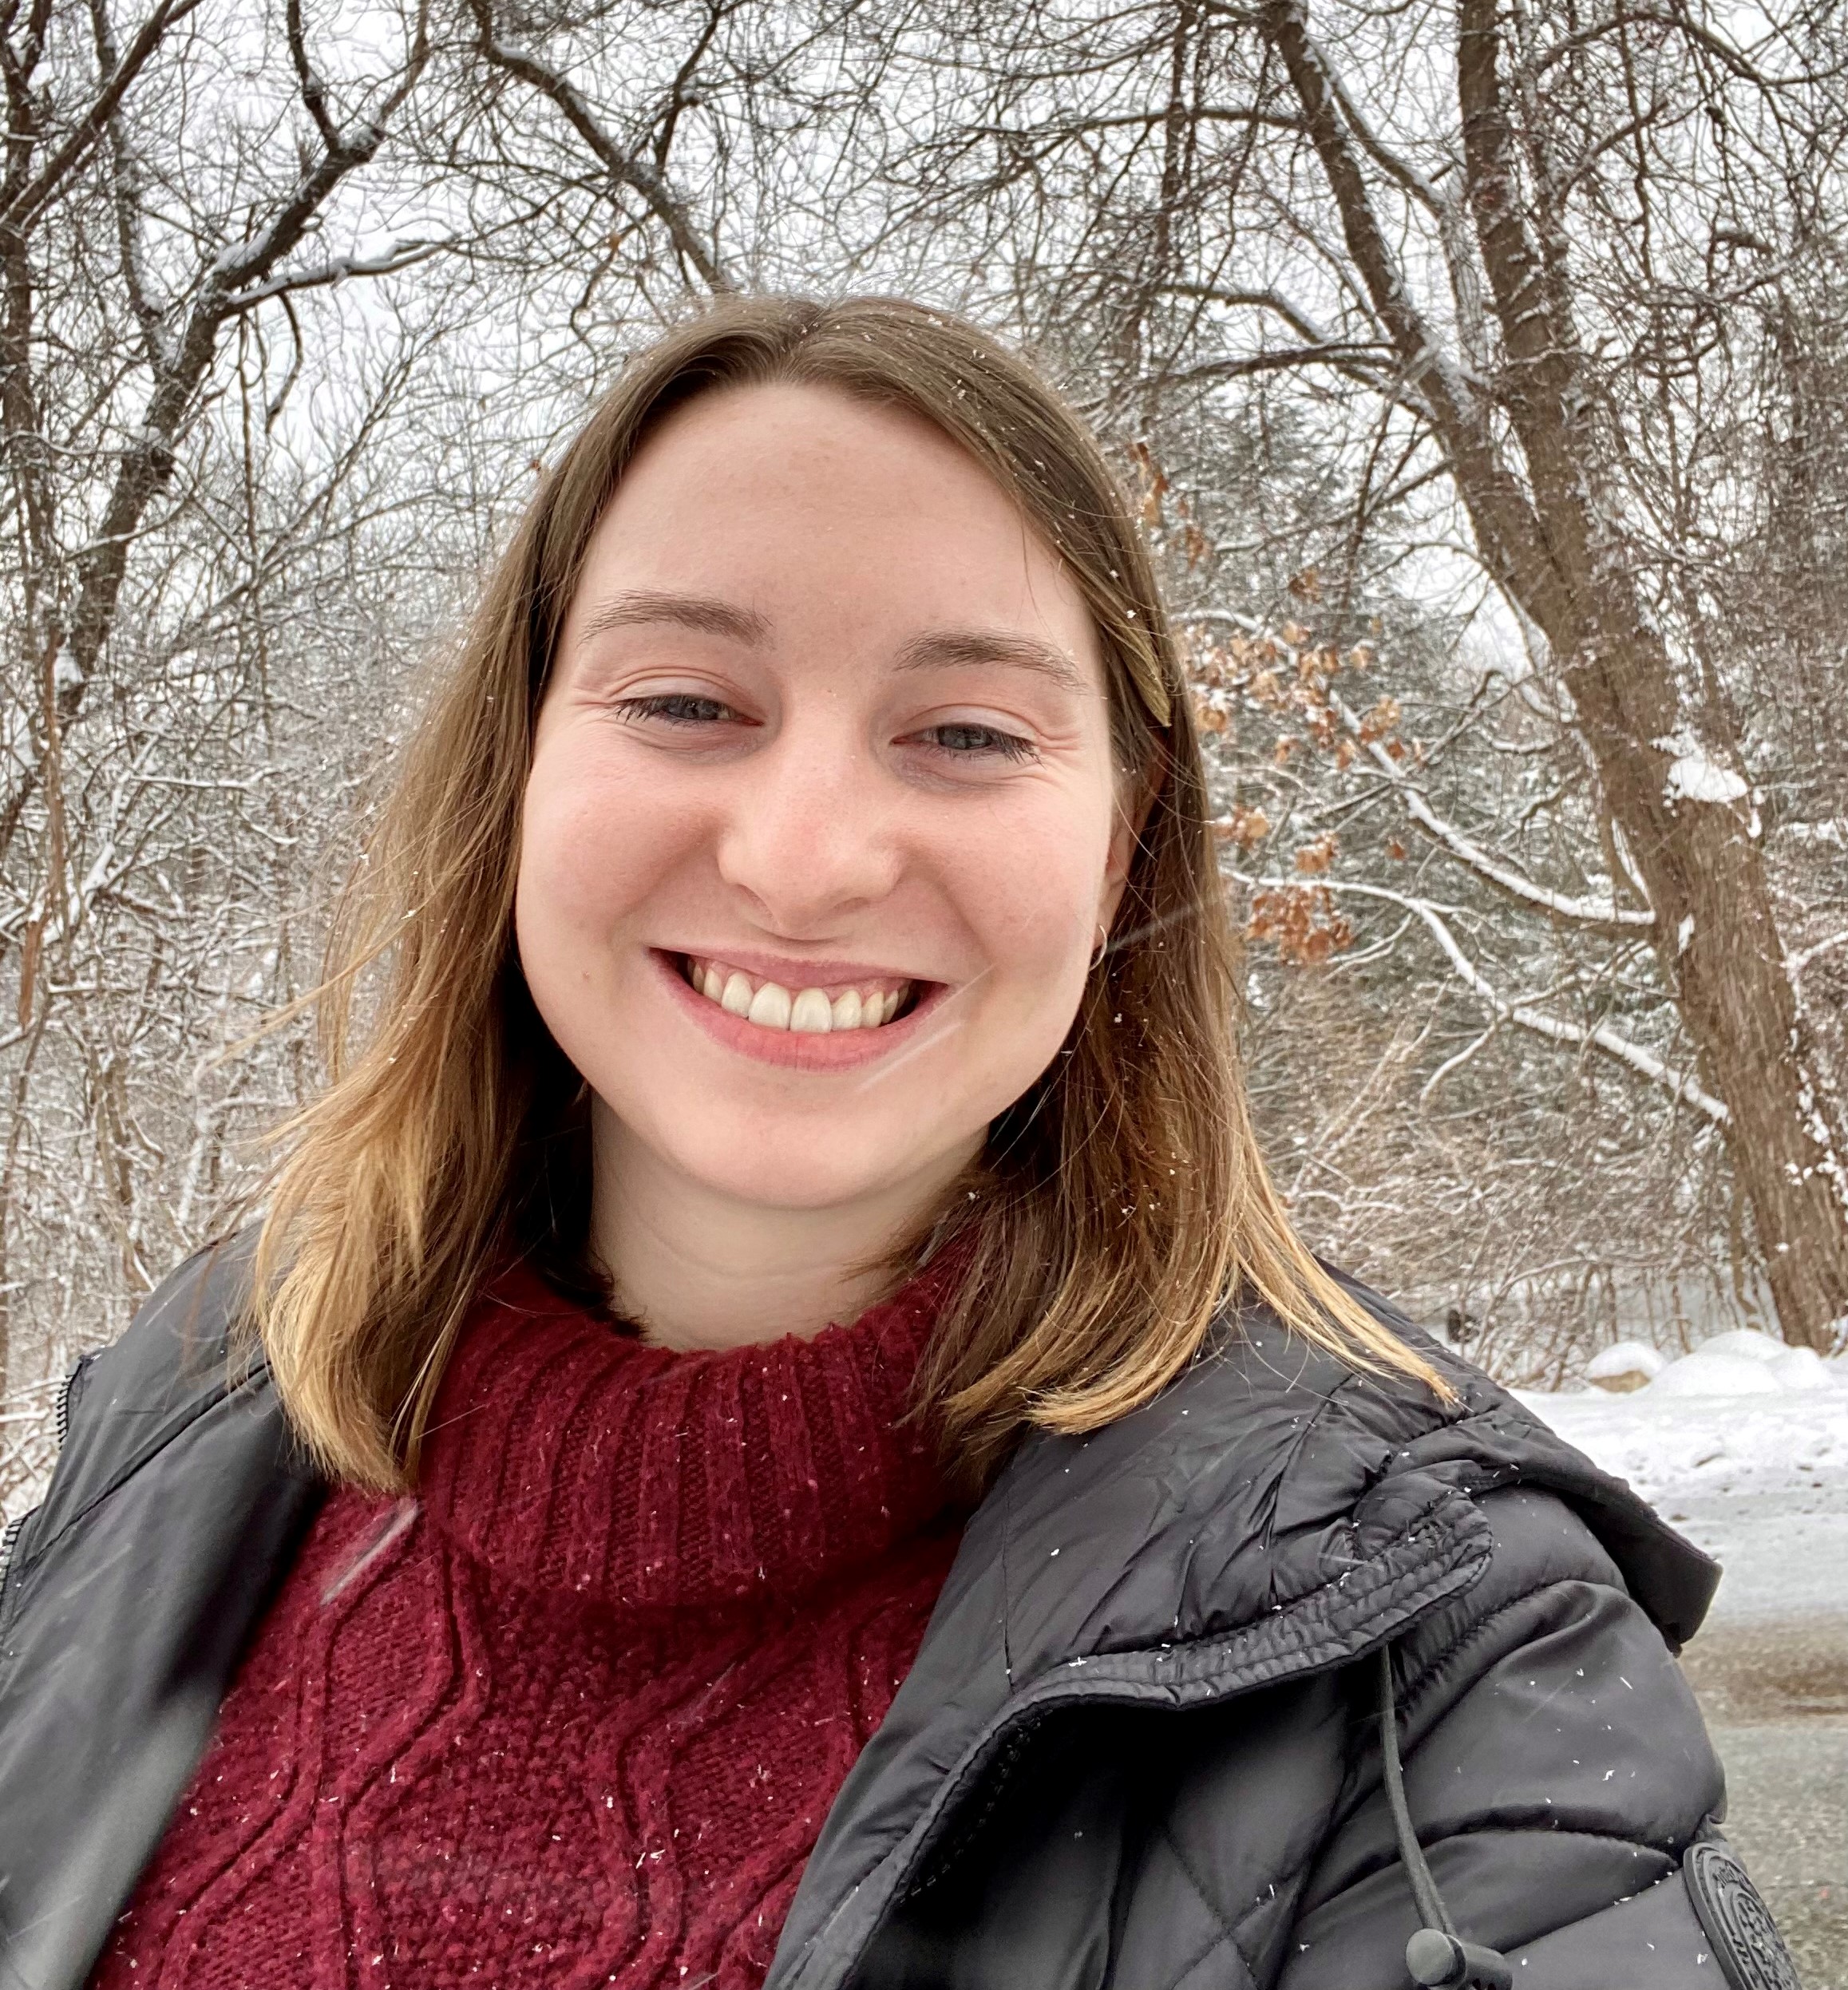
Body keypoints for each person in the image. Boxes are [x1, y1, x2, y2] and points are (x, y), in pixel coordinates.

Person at [0, 297, 1795, 1990]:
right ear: (522, 764)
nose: (804, 856)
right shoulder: (194, 1405)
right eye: (688, 700)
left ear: (1120, 841)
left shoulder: (1444, 1653)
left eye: (963, 731)